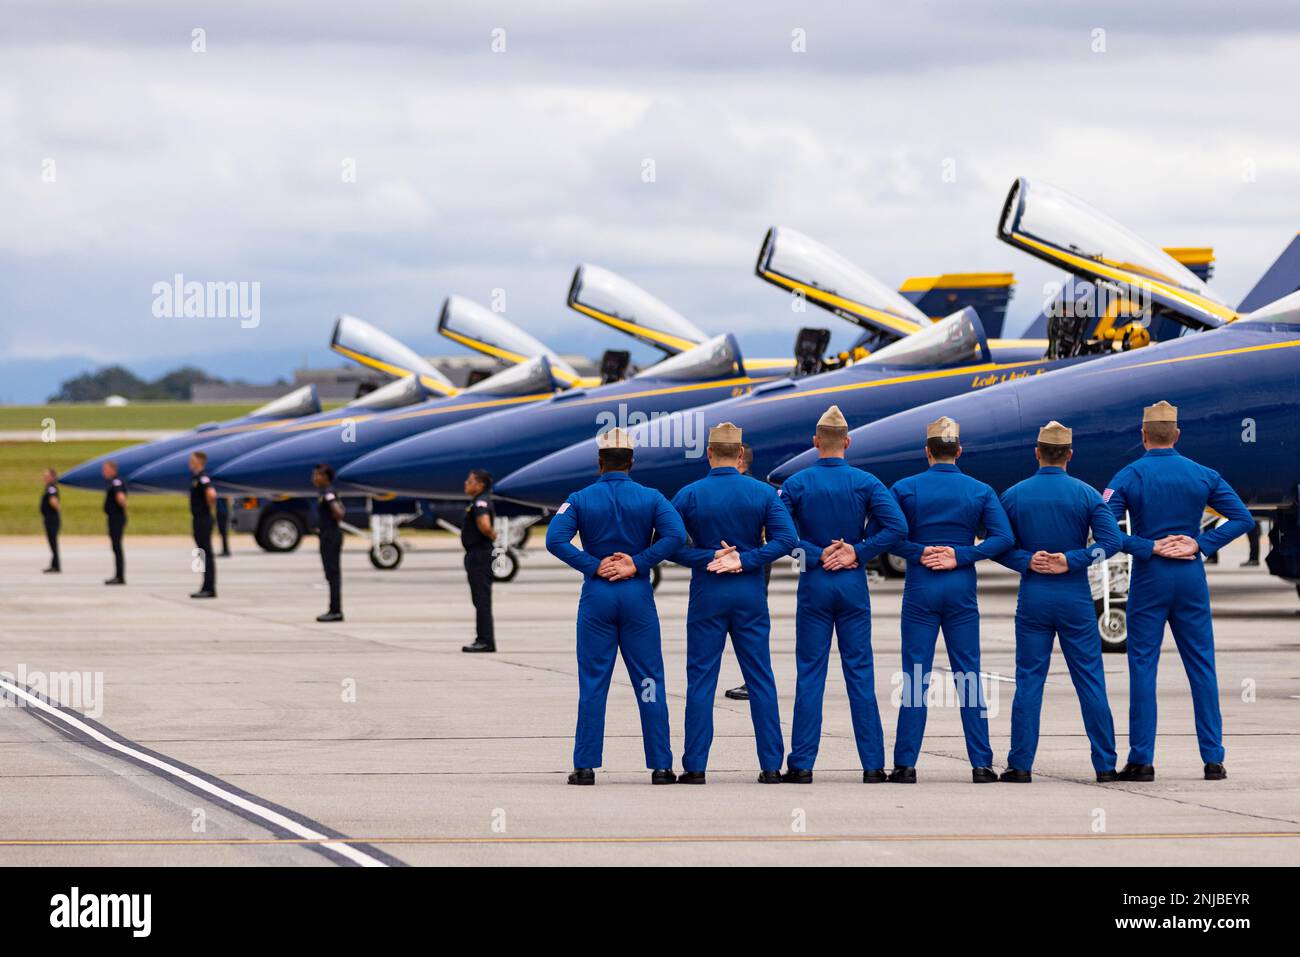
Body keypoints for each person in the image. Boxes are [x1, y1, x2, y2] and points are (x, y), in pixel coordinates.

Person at [1104, 400, 1252, 782]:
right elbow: (1242, 518)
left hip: (1151, 576)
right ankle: (1213, 759)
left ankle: (1142, 760)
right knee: (1201, 666)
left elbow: (1107, 529)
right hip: (1190, 577)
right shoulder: (1203, 474)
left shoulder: (1129, 475)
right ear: (1177, 434)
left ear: (1142, 435)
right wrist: (1200, 544)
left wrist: (1146, 546)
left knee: (1142, 666)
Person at [545, 427, 687, 786]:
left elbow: (555, 539)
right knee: (649, 681)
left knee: (594, 682)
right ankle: (661, 766)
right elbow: (674, 536)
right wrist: (639, 562)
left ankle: (585, 766)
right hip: (636, 595)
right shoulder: (652, 498)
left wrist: (594, 565)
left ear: (599, 462)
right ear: (632, 462)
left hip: (598, 595)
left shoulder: (579, 499)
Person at [777, 405, 907, 783]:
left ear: (815, 442)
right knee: (860, 674)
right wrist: (857, 550)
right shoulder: (867, 483)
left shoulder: (796, 484)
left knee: (810, 675)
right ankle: (872, 766)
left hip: (815, 583)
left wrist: (817, 555)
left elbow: (782, 539)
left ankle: (801, 765)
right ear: (847, 442)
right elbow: (896, 527)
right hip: (852, 582)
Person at [888, 416, 1014, 784]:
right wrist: (961, 555)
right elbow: (1002, 537)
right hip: (960, 587)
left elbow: (885, 536)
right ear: (959, 451)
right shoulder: (979, 490)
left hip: (921, 587)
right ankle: (981, 764)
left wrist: (918, 551)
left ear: (926, 451)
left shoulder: (905, 488)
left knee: (914, 676)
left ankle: (906, 764)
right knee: (969, 675)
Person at [996, 421, 1122, 783]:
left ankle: (1020, 765)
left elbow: (997, 543)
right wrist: (1075, 558)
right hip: (1074, 595)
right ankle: (1105, 765)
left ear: (1036, 453)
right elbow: (1110, 542)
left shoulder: (1015, 494)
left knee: (1029, 680)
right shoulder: (1086, 495)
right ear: (1069, 454)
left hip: (1034, 593)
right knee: (1089, 680)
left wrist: (1024, 561)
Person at [671, 423, 798, 783]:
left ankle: (695, 767)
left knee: (701, 680)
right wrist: (746, 559)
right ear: (741, 455)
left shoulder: (689, 494)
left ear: (709, 454)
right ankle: (771, 766)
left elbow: (667, 543)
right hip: (749, 592)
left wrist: (707, 556)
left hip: (707, 590)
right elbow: (786, 539)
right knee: (760, 677)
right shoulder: (763, 493)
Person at [726, 444, 761, 702]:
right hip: (754, 567)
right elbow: (783, 538)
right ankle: (753, 681)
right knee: (751, 630)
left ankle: (751, 682)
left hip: (720, 569)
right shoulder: (764, 492)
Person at [461, 469, 497, 653]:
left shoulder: (481, 501)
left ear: (480, 485)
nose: (466, 483)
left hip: (480, 554)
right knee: (480, 599)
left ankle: (485, 641)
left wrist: (491, 535)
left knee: (481, 599)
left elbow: (484, 524)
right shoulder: (478, 500)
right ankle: (484, 638)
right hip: (478, 553)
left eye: (470, 481)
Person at [312, 464, 345, 622]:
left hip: (331, 536)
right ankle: (334, 609)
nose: (314, 478)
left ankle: (335, 610)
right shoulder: (325, 492)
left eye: (317, 475)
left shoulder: (329, 493)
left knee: (333, 574)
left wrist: (333, 514)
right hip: (327, 535)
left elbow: (339, 512)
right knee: (330, 574)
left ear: (325, 477)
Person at [188, 452, 218, 598]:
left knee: (205, 553)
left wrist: (207, 509)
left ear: (199, 462)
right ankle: (205, 585)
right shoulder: (196, 478)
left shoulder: (203, 478)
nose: (190, 462)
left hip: (203, 519)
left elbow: (212, 494)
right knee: (201, 553)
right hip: (198, 518)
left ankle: (209, 587)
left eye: (192, 460)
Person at [102, 460, 127, 585]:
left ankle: (120, 576)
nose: (103, 472)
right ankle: (118, 575)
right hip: (114, 517)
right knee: (115, 547)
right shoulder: (113, 482)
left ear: (112, 469)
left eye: (105, 469)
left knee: (117, 547)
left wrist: (122, 508)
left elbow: (121, 497)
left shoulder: (116, 482)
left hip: (116, 518)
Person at [40, 468, 61, 573]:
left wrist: (57, 508)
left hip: (51, 519)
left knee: (53, 542)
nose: (44, 478)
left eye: (47, 476)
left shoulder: (51, 488)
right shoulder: (49, 487)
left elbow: (53, 500)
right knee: (52, 542)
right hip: (50, 518)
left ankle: (56, 566)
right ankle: (54, 564)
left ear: (52, 477)